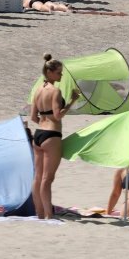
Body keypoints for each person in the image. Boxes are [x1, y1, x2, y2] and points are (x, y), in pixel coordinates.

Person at [29, 55, 81, 220]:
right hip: (52, 135)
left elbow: (33, 118)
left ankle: (39, 213)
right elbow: (58, 116)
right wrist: (72, 101)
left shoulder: (38, 91)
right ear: (50, 72)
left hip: (38, 134)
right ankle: (49, 215)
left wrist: (45, 121)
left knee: (38, 177)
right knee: (47, 178)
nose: (61, 76)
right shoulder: (55, 91)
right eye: (59, 73)